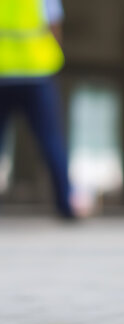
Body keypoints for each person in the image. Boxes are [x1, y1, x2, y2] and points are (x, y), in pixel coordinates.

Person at [0, 0, 75, 218]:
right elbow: (54, 26)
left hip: (2, 72)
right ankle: (65, 203)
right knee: (51, 140)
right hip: (36, 72)